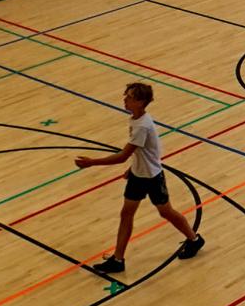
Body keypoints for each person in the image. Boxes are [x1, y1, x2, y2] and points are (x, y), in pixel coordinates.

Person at [73, 82, 204, 275]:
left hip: (152, 177)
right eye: (125, 95)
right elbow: (142, 152)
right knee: (126, 214)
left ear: (141, 102)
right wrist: (133, 168)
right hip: (138, 174)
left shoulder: (142, 125)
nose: (125, 99)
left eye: (130, 97)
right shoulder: (136, 119)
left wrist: (92, 162)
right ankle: (118, 260)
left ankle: (194, 240)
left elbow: (123, 155)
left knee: (166, 212)